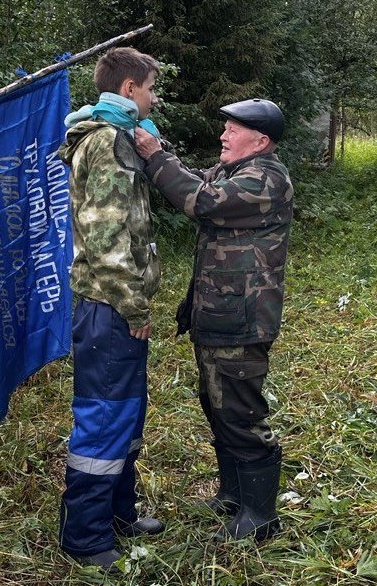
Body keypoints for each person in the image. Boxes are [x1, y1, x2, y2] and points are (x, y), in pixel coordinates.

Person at [133, 98, 293, 542]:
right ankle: (233, 495)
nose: (222, 135)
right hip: (218, 314)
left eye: (232, 129)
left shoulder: (266, 179)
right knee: (218, 406)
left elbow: (200, 201)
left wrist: (154, 154)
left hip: (242, 320)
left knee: (241, 413)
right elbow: (190, 180)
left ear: (259, 141)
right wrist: (156, 146)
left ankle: (259, 517)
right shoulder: (233, 171)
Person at [57, 47, 164, 571]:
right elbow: (106, 240)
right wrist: (134, 305)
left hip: (111, 307)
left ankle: (119, 513)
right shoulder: (106, 142)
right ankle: (86, 536)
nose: (152, 97)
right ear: (127, 89)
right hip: (109, 307)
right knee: (104, 419)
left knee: (126, 415)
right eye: (149, 88)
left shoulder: (117, 138)